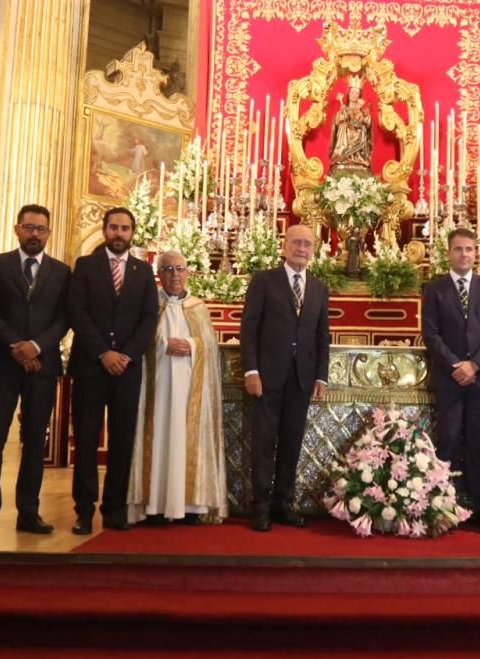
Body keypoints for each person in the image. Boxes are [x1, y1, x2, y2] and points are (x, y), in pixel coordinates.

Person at [0, 205, 70, 539]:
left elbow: (64, 317)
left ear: (49, 233)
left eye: (41, 229)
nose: (34, 234)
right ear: (17, 229)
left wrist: (37, 347)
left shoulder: (61, 271)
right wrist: (17, 345)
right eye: (29, 227)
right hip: (2, 363)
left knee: (34, 442)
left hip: (42, 366)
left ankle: (28, 511)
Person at [68, 207, 158, 535]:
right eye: (114, 227)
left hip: (127, 370)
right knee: (87, 439)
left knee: (122, 440)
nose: (119, 233)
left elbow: (149, 317)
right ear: (105, 230)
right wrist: (103, 353)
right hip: (91, 366)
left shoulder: (143, 271)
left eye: (125, 228)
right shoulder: (86, 266)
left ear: (132, 233)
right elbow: (76, 312)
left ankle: (114, 507)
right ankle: (83, 509)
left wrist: (125, 355)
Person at [241, 224, 329, 532]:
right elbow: (249, 329)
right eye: (296, 243)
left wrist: (321, 376)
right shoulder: (264, 281)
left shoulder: (318, 287)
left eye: (307, 244)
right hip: (267, 377)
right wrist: (251, 370)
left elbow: (322, 336)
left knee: (292, 443)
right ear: (285, 245)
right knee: (264, 442)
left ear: (313, 249)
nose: (301, 248)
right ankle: (261, 507)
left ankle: (284, 503)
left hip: (302, 378)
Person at [127, 251, 227, 525]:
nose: (175, 275)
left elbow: (209, 346)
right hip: (156, 388)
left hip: (189, 389)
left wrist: (193, 346)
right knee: (157, 437)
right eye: (168, 269)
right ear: (159, 274)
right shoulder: (150, 305)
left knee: (186, 438)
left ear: (188, 272)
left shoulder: (198, 307)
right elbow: (139, 341)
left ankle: (190, 506)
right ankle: (154, 505)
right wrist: (161, 345)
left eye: (179, 269)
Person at [422, 228, 480, 530]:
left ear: (475, 252)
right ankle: (446, 506)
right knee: (449, 440)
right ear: (449, 252)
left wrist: (476, 365)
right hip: (449, 378)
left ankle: (478, 508)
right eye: (458, 249)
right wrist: (457, 365)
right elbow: (431, 334)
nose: (464, 254)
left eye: (469, 249)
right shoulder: (435, 289)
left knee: (475, 442)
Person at [328, 75, 372, 176]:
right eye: (352, 92)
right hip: (344, 139)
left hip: (359, 137)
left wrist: (363, 119)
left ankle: (358, 158)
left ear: (359, 96)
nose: (354, 95)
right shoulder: (343, 109)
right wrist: (343, 115)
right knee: (343, 127)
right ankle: (343, 158)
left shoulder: (363, 111)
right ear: (348, 94)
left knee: (362, 131)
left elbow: (368, 123)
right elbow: (337, 121)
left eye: (357, 93)